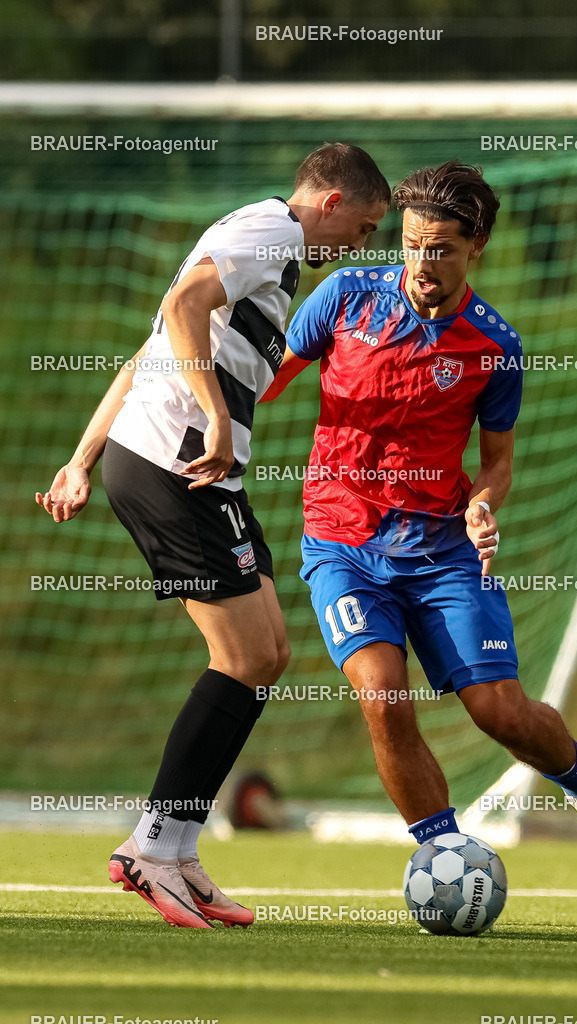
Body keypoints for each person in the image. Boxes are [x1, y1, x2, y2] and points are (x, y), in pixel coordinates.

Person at [262, 160, 577, 889]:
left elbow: (497, 464)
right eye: (410, 244)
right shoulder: (345, 297)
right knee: (382, 694)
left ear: (475, 248)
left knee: (498, 713)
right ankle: (443, 854)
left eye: (439, 248)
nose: (420, 263)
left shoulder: (494, 347)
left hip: (440, 552)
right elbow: (265, 377)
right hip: (341, 543)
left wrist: (481, 503)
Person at [35, 143, 391, 929]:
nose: (361, 248)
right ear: (329, 201)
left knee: (265, 654)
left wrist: (77, 460)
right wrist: (220, 417)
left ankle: (179, 845)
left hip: (192, 467)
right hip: (174, 461)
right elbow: (182, 307)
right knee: (241, 656)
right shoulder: (270, 228)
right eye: (363, 229)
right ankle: (151, 850)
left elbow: (146, 354)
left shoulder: (271, 249)